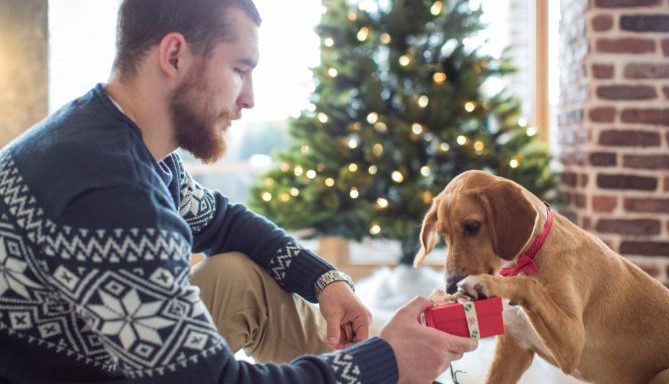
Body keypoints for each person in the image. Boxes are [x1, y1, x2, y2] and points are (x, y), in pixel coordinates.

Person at [0, 0, 477, 382]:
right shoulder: (113, 194)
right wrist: (384, 363)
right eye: (239, 70)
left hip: (101, 355)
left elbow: (225, 222)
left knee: (236, 273)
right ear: (174, 56)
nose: (249, 97)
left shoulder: (121, 139)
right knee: (379, 363)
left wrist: (325, 279)